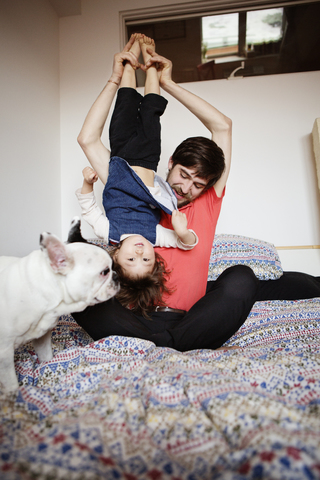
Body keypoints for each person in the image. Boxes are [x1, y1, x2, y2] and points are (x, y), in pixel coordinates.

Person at [73, 40, 320, 351]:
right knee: (75, 288)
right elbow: (89, 139)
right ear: (171, 163)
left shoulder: (205, 203)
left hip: (196, 319)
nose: (187, 188)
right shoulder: (131, 188)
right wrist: (114, 77)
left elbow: (223, 127)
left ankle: (163, 345)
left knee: (243, 277)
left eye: (198, 184)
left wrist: (167, 83)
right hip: (135, 320)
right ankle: (167, 345)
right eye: (184, 176)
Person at [76, 34, 198, 317]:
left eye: (133, 258)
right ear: (155, 258)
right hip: (147, 157)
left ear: (115, 255)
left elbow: (89, 209)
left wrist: (86, 183)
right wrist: (182, 233)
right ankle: (150, 58)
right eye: (147, 259)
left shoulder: (109, 233)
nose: (141, 251)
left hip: (120, 158)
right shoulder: (154, 236)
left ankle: (129, 61)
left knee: (126, 104)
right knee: (151, 110)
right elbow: (186, 242)